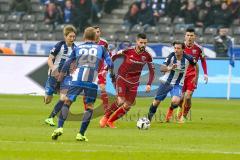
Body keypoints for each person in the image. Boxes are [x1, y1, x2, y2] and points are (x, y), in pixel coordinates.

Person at [51, 27, 114, 141]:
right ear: (95, 37)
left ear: (84, 37)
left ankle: (60, 127)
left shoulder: (78, 48)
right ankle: (80, 134)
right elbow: (110, 63)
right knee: (89, 107)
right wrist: (112, 75)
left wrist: (60, 78)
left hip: (77, 79)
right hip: (92, 80)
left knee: (67, 102)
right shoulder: (101, 48)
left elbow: (67, 63)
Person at [99, 33, 155, 128]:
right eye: (141, 42)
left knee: (128, 105)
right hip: (122, 78)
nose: (143, 45)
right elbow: (113, 57)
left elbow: (152, 71)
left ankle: (111, 121)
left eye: (145, 43)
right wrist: (106, 68)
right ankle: (105, 117)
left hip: (134, 82)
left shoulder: (148, 56)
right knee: (120, 100)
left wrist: (149, 84)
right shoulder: (127, 51)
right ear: (137, 42)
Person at [147, 41, 196, 123]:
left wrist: (196, 77)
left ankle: (171, 109)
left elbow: (196, 65)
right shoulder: (171, 56)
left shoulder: (188, 58)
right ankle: (148, 120)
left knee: (176, 101)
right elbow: (162, 69)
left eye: (178, 48)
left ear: (183, 49)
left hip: (178, 84)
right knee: (156, 102)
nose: (176, 50)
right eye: (175, 48)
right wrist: (170, 68)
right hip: (166, 82)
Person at [170, 28, 208, 123]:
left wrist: (206, 73)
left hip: (192, 75)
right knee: (180, 99)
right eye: (188, 35)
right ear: (185, 36)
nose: (189, 37)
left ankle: (184, 116)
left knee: (188, 96)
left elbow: (203, 61)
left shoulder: (199, 48)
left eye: (191, 35)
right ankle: (180, 108)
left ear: (194, 36)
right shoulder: (180, 47)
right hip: (181, 75)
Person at [44, 25, 77, 126]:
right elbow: (49, 59)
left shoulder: (76, 48)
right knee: (47, 100)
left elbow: (75, 63)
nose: (72, 38)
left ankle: (50, 118)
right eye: (70, 36)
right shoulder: (59, 45)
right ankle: (47, 91)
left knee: (64, 98)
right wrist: (53, 69)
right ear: (65, 36)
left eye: (73, 37)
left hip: (66, 77)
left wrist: (73, 69)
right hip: (54, 75)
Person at [82, 26, 110, 114]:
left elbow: (107, 54)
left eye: (98, 31)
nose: (97, 33)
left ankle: (106, 112)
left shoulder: (104, 43)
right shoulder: (88, 43)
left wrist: (108, 66)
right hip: (90, 69)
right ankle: (86, 109)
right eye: (96, 32)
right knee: (86, 90)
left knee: (103, 88)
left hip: (101, 69)